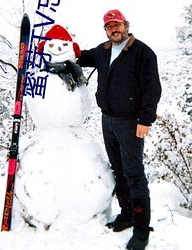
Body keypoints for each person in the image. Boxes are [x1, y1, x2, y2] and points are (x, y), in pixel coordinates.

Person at [77, 9, 161, 250]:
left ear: (126, 24)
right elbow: (81, 56)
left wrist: (145, 120)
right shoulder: (103, 51)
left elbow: (152, 88)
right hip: (108, 120)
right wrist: (60, 47)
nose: (114, 29)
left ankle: (142, 231)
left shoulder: (142, 52)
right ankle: (127, 214)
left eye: (117, 24)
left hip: (131, 123)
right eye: (109, 26)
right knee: (119, 169)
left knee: (134, 173)